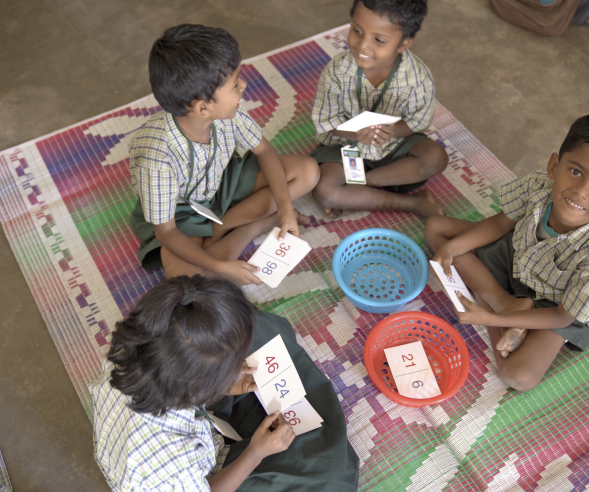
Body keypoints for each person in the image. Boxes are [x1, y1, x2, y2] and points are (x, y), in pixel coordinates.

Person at [425, 113, 589, 392]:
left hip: (553, 303)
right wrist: (451, 247)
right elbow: (499, 224)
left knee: (518, 377)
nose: (581, 191)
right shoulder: (537, 186)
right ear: (554, 166)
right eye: (576, 172)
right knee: (437, 230)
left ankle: (496, 304)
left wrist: (491, 319)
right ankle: (506, 303)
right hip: (515, 258)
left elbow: (562, 317)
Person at [89, 275, 359, 491]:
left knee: (258, 331)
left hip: (187, 412)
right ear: (199, 385)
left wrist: (224, 385)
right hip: (195, 480)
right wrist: (256, 452)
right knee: (329, 478)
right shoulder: (172, 463)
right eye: (226, 370)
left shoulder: (132, 348)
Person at [129, 25, 320, 285]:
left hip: (222, 183)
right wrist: (220, 266)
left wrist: (286, 209)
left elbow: (263, 150)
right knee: (189, 279)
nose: (244, 85)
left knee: (308, 171)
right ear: (203, 107)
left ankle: (228, 228)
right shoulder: (156, 158)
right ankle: (251, 227)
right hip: (181, 210)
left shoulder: (227, 113)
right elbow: (166, 231)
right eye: (235, 83)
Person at [310, 0, 448, 219]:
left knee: (435, 157)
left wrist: (392, 131)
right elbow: (327, 121)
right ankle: (412, 202)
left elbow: (417, 122)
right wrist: (354, 133)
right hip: (345, 145)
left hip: (394, 146)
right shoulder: (336, 72)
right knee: (325, 191)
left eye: (379, 40)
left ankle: (358, 185)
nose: (363, 45)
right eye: (356, 30)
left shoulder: (417, 78)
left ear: (404, 43)